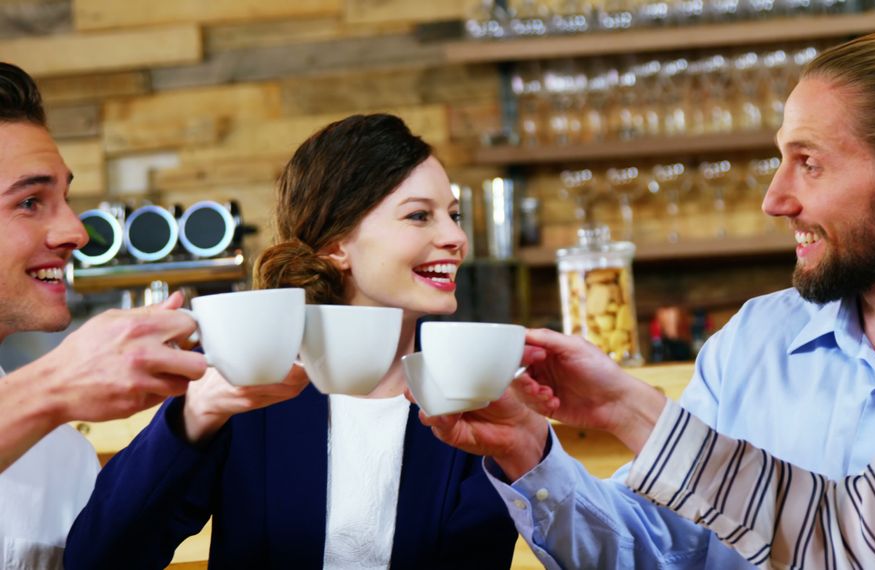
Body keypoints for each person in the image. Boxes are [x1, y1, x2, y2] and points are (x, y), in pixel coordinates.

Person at [417, 31, 875, 569]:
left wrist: (634, 410)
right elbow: (677, 547)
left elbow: (836, 539)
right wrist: (531, 449)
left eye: (808, 163)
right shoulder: (756, 339)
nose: (774, 199)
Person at [65, 114, 521, 568]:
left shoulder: (468, 379)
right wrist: (193, 416)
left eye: (453, 215)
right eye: (420, 216)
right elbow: (99, 558)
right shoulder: (245, 374)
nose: (456, 237)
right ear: (337, 245)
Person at [0, 62, 206, 568]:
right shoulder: (51, 409)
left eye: (64, 198)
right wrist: (56, 386)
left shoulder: (64, 457)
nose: (77, 231)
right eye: (30, 201)